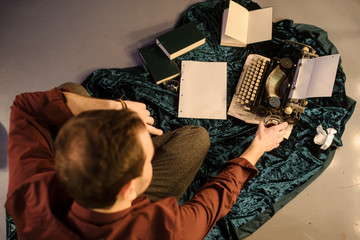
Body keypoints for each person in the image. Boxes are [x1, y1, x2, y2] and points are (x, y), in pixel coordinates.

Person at [5, 83, 288, 240]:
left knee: (71, 92)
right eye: (146, 155)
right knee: (197, 139)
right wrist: (257, 148)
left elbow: (24, 106)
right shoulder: (164, 229)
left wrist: (116, 108)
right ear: (131, 188)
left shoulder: (30, 189)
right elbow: (211, 204)